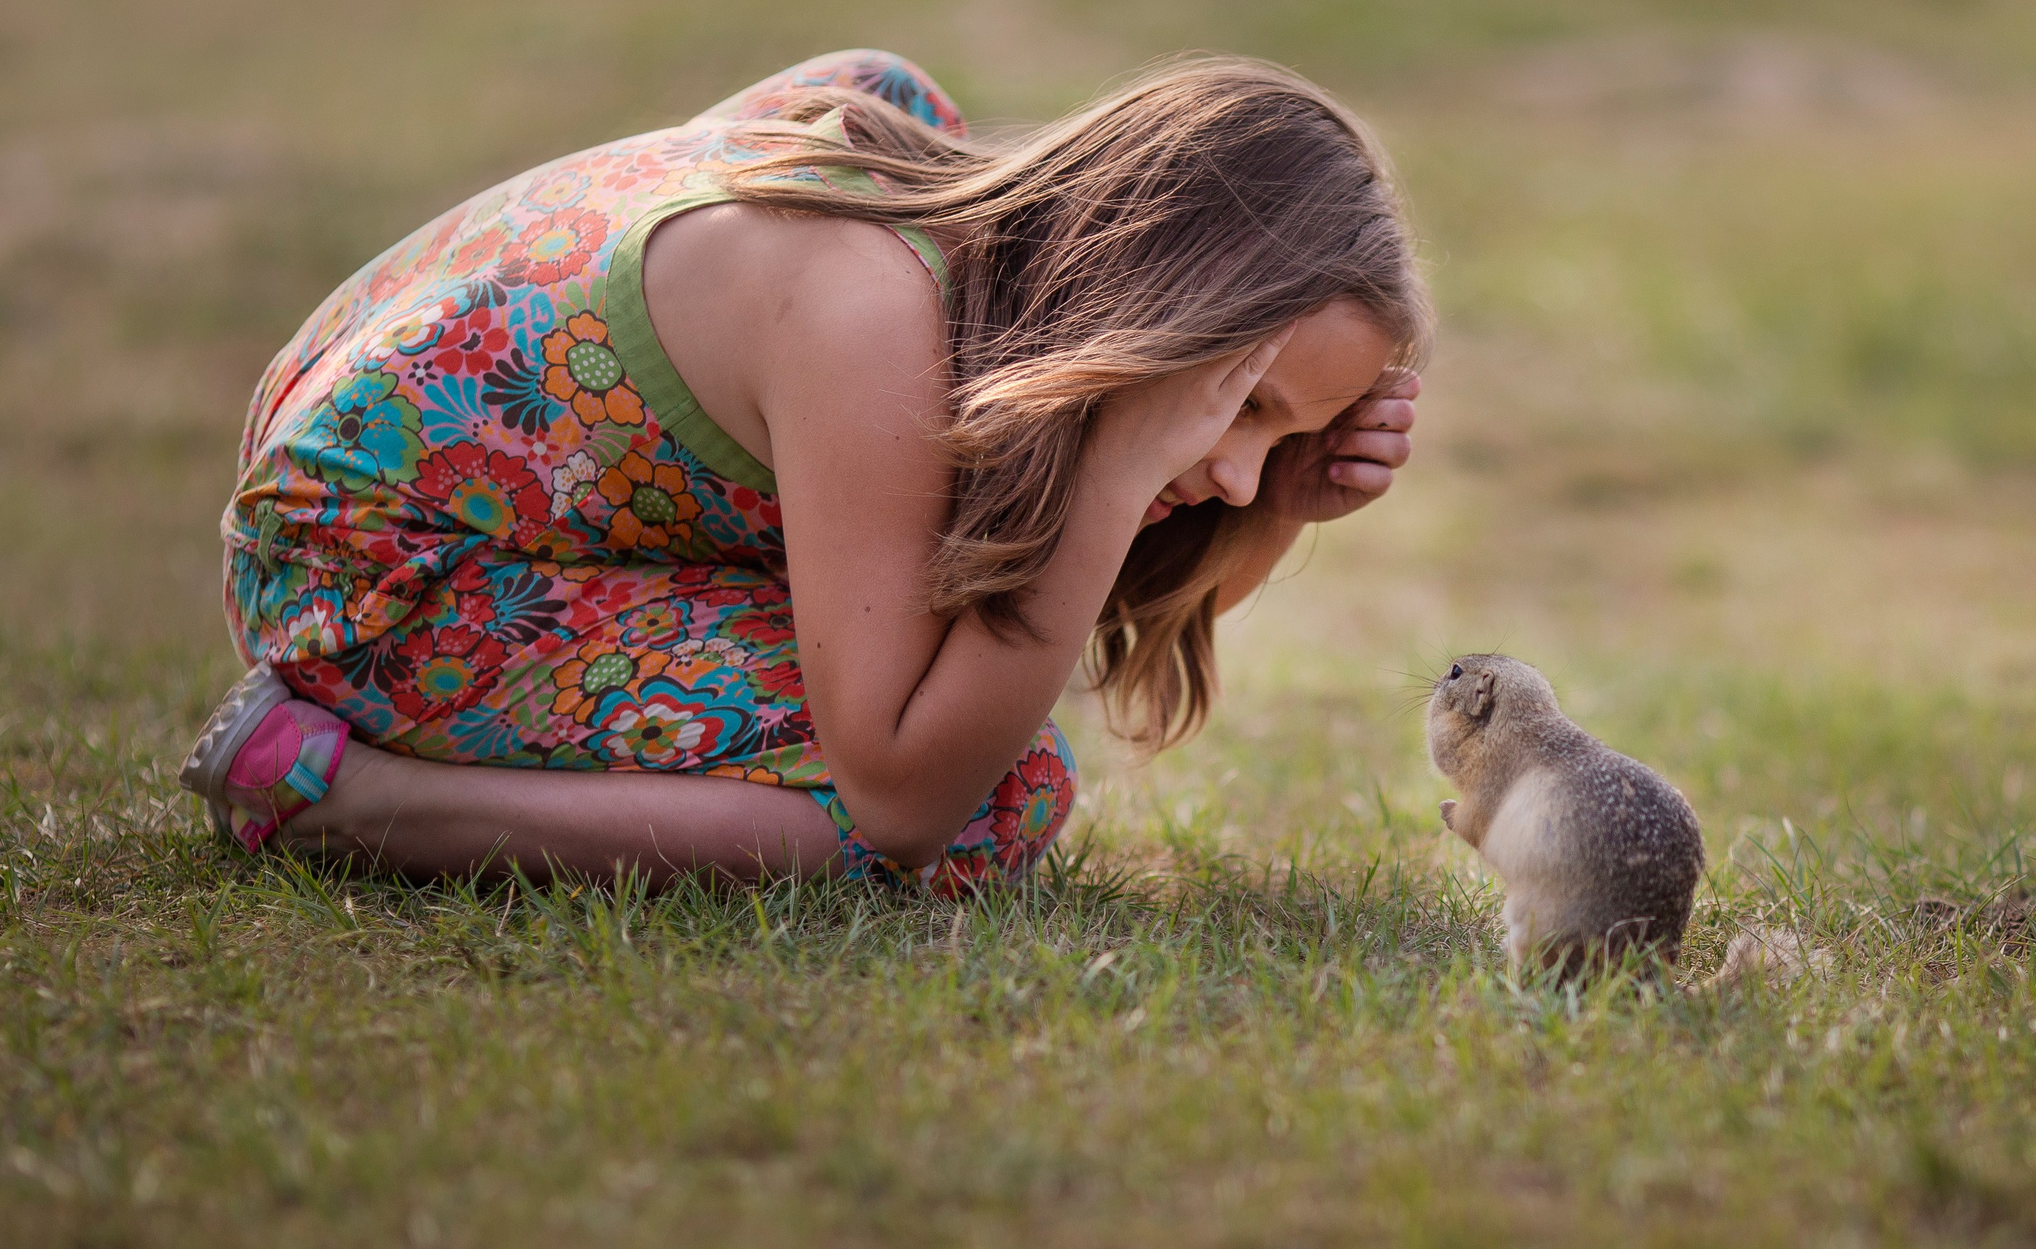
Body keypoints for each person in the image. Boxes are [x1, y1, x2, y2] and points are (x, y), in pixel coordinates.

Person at [180, 49, 1429, 895]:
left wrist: (1280, 499)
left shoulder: (941, 220)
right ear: (1149, 305)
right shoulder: (867, 318)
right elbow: (902, 792)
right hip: (375, 573)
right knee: (997, 801)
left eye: (1280, 437)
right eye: (1242, 406)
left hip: (353, 417)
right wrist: (1110, 480)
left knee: (882, 82)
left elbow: (998, 604)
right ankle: (335, 794)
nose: (1234, 470)